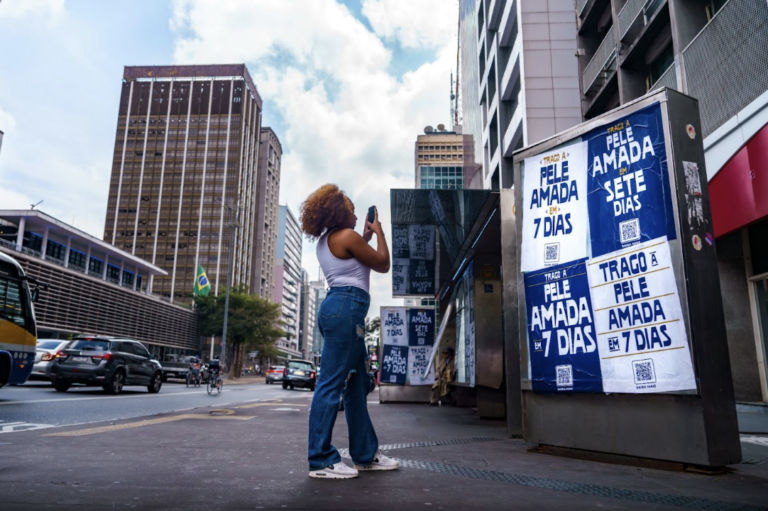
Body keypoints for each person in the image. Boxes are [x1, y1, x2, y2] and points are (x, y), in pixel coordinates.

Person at [300, 184, 399, 480]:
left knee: (356, 386)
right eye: (353, 212)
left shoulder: (329, 240)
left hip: (339, 309)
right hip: (346, 310)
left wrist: (365, 237)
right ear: (340, 212)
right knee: (330, 384)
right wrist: (379, 231)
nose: (357, 218)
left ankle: (365, 455)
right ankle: (320, 460)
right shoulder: (347, 236)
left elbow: (356, 258)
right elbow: (382, 263)